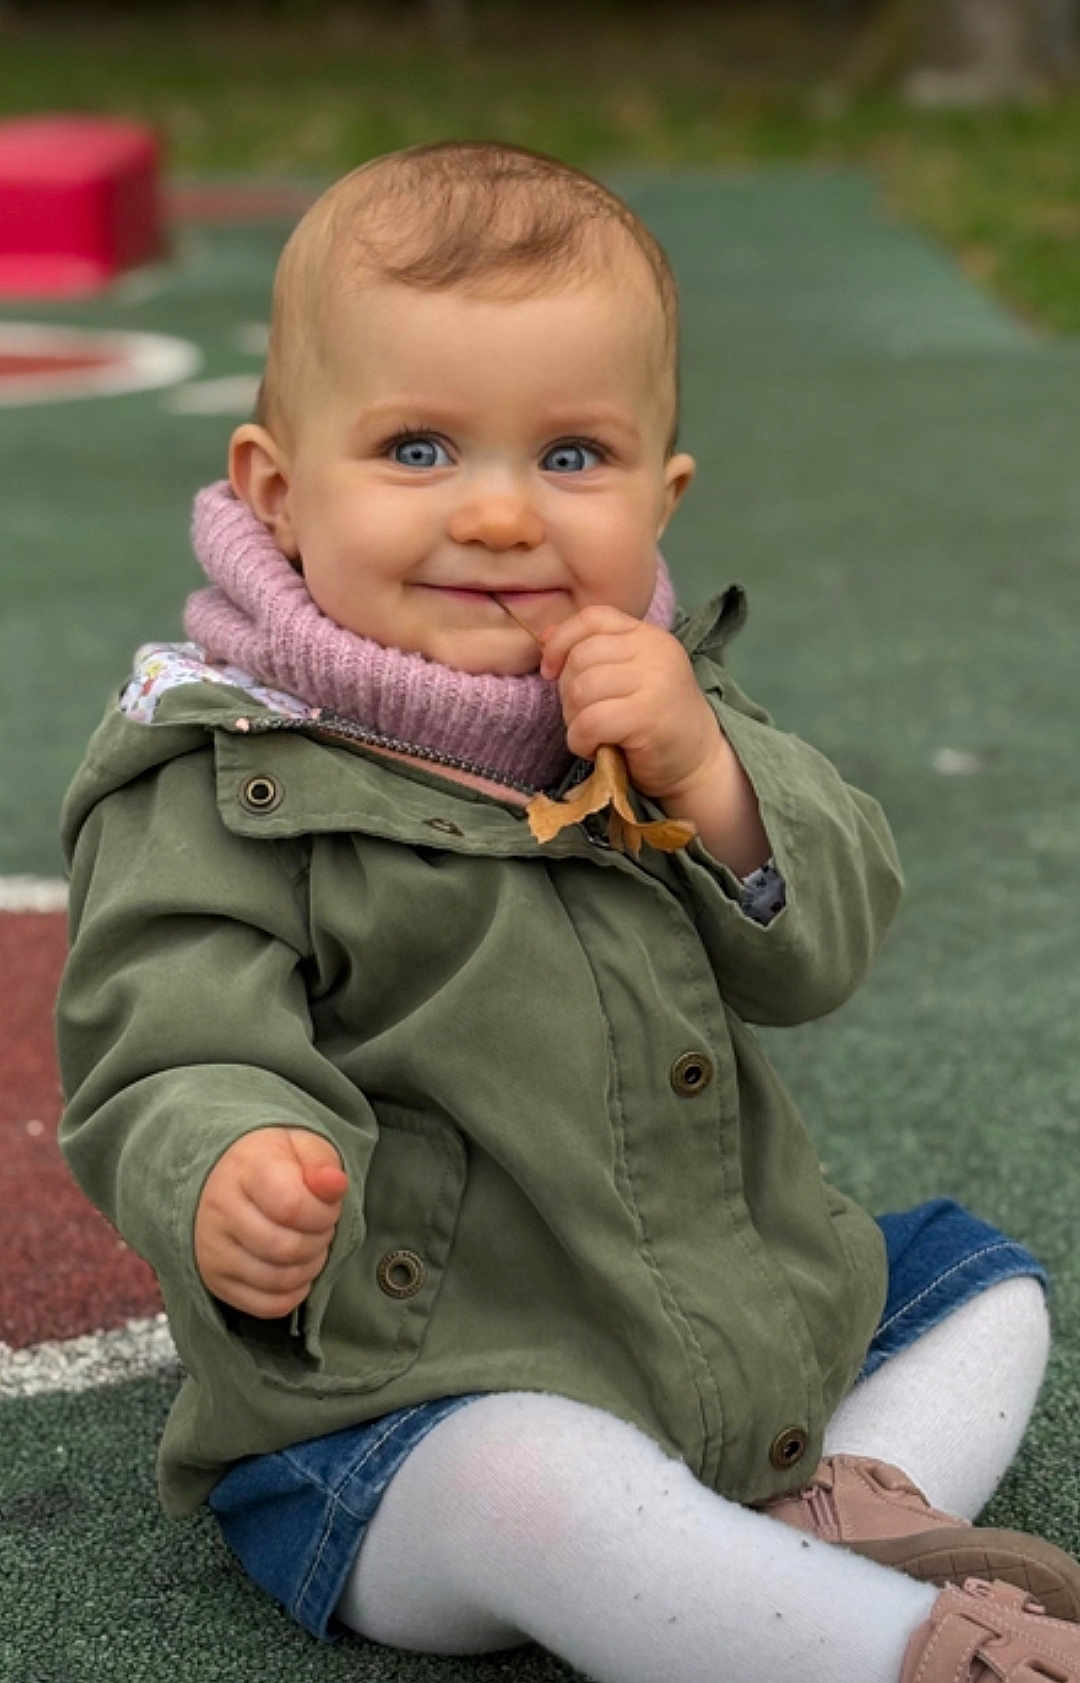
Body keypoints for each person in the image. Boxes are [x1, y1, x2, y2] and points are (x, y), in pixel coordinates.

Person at [57, 141, 1080, 1683]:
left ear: (662, 494)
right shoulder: (222, 774)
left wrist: (713, 775)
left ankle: (807, 1533)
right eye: (416, 451)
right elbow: (162, 1041)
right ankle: (885, 1652)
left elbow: (824, 945)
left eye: (572, 458)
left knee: (982, 1285)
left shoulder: (665, 711)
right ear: (276, 488)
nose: (499, 516)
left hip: (714, 1353)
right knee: (540, 1485)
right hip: (404, 1409)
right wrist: (223, 1166)